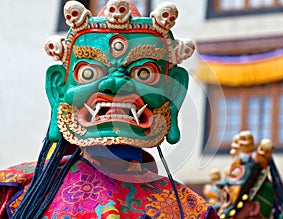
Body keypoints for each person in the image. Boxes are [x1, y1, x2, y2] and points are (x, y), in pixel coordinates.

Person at [0, 1, 219, 218]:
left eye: (143, 73)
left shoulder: (189, 210)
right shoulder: (16, 193)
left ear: (173, 93)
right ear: (58, 90)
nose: (115, 84)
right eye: (89, 73)